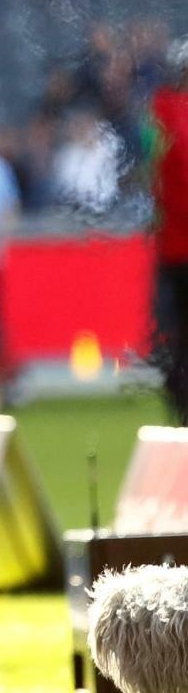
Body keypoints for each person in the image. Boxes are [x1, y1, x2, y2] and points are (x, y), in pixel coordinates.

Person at [151, 37, 188, 423]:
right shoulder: (171, 114)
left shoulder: (161, 112)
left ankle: (179, 403)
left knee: (173, 333)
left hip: (171, 247)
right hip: (178, 244)